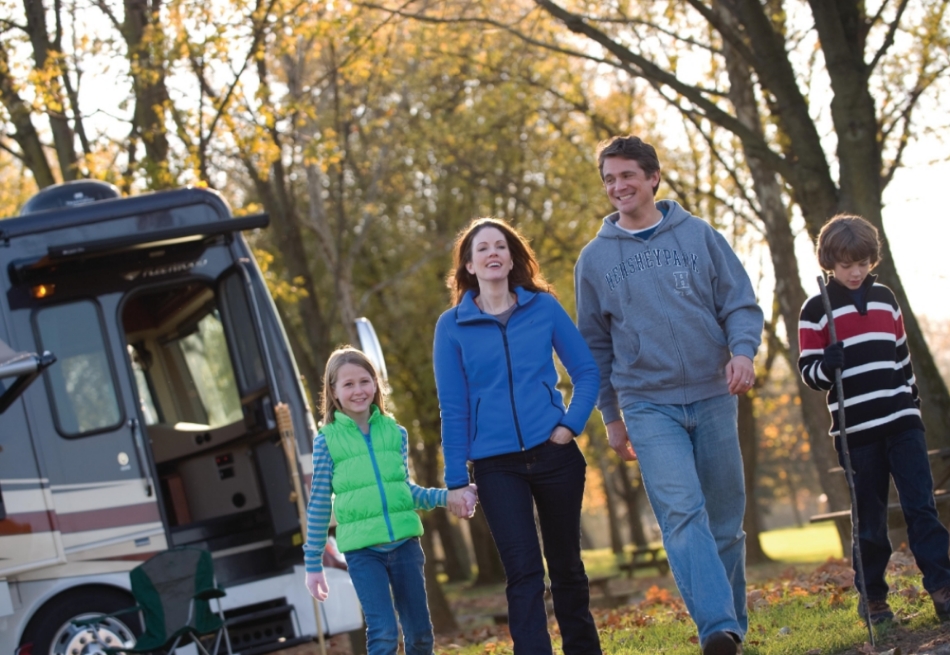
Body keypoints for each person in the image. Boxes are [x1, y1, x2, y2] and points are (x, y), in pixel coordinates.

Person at [574, 136, 764, 655]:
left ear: (654, 177)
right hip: (645, 402)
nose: (618, 186)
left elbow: (740, 304)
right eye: (609, 179)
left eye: (627, 175)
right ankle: (717, 631)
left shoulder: (699, 236)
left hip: (713, 392)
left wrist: (742, 352)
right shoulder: (594, 260)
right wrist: (611, 416)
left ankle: (733, 628)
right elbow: (593, 344)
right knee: (682, 514)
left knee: (725, 522)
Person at [433, 217, 602, 655]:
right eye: (482, 248)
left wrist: (569, 426)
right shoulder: (451, 326)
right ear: (469, 265)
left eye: (501, 247)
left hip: (554, 455)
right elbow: (452, 409)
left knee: (567, 567)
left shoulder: (543, 307)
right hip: (495, 466)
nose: (493, 253)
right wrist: (455, 478)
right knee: (524, 572)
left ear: (512, 259)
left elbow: (585, 371)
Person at [798, 214, 950, 625]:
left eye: (863, 263)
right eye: (847, 265)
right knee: (870, 517)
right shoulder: (816, 309)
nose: (856, 272)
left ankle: (942, 587)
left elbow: (902, 357)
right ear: (830, 262)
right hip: (858, 430)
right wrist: (827, 364)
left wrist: (913, 403)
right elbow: (809, 372)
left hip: (901, 419)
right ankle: (875, 600)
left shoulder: (886, 298)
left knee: (922, 506)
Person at [303, 346, 477, 655]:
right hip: (362, 551)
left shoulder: (395, 433)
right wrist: (313, 562)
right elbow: (318, 503)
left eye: (364, 381)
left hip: (405, 545)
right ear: (333, 392)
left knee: (421, 633)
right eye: (348, 384)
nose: (358, 390)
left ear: (375, 384)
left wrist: (446, 496)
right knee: (383, 632)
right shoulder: (327, 440)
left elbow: (405, 492)